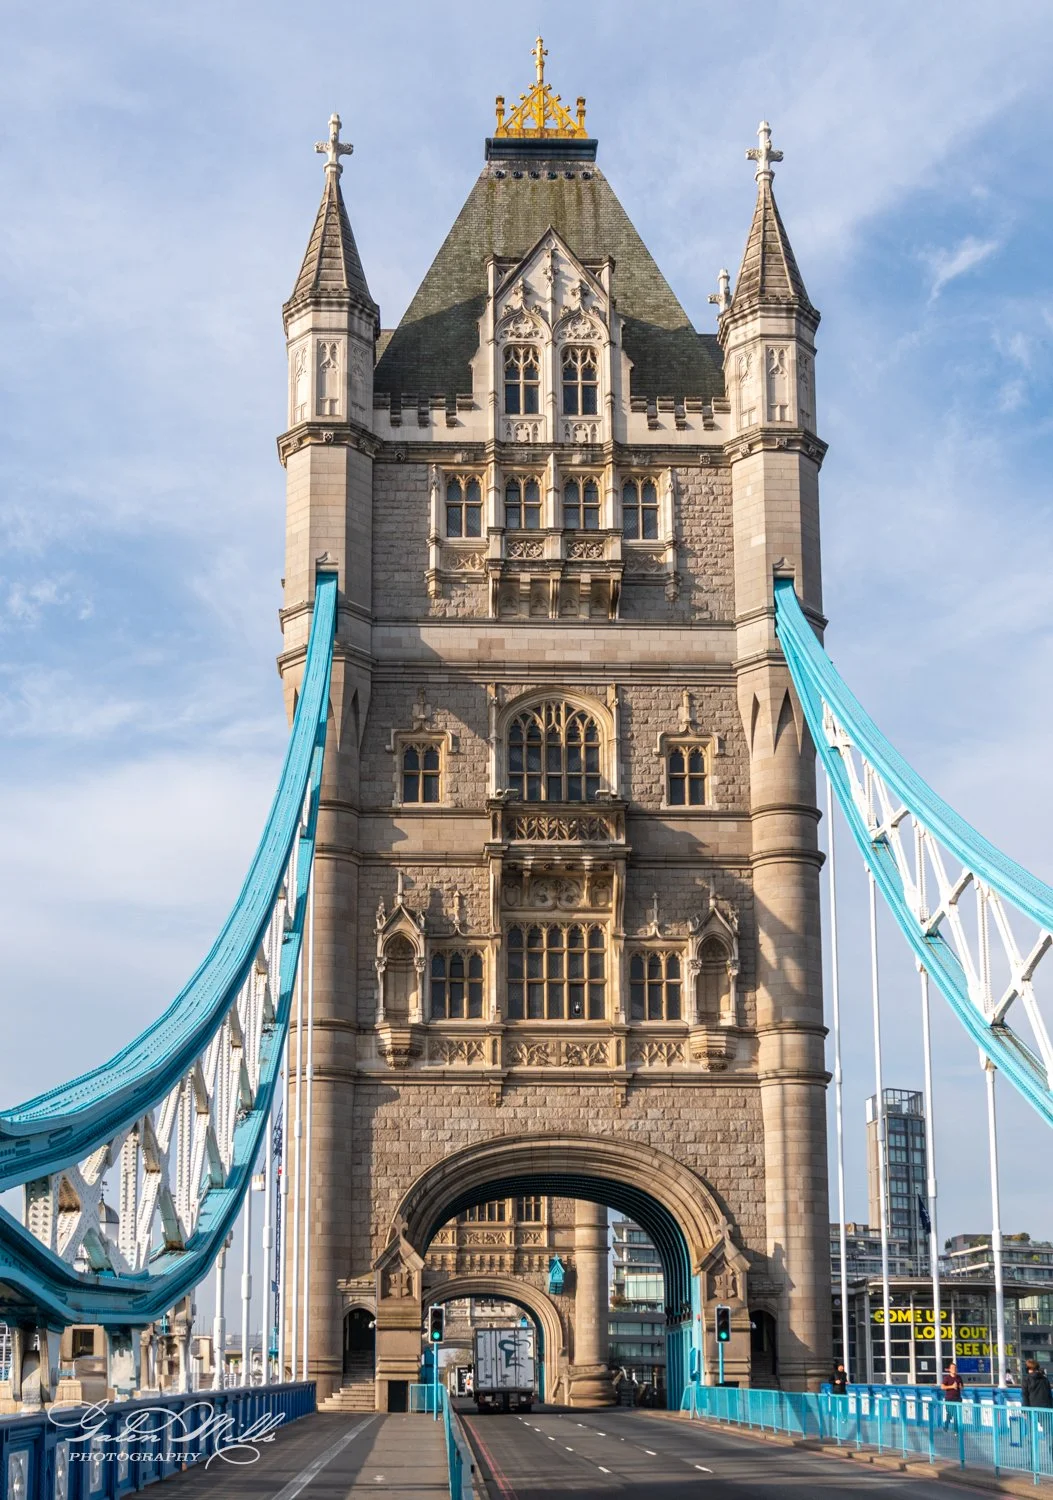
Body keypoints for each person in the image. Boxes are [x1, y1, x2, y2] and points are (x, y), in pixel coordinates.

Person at [941, 1362, 963, 1427]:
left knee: (957, 1415)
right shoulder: (947, 1378)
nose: (954, 1369)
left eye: (955, 1368)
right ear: (950, 1370)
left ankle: (956, 1431)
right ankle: (946, 1424)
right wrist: (952, 1386)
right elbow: (942, 1387)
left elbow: (962, 1387)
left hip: (957, 1398)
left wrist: (960, 1386)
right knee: (950, 1414)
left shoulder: (959, 1377)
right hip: (949, 1399)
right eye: (952, 1368)